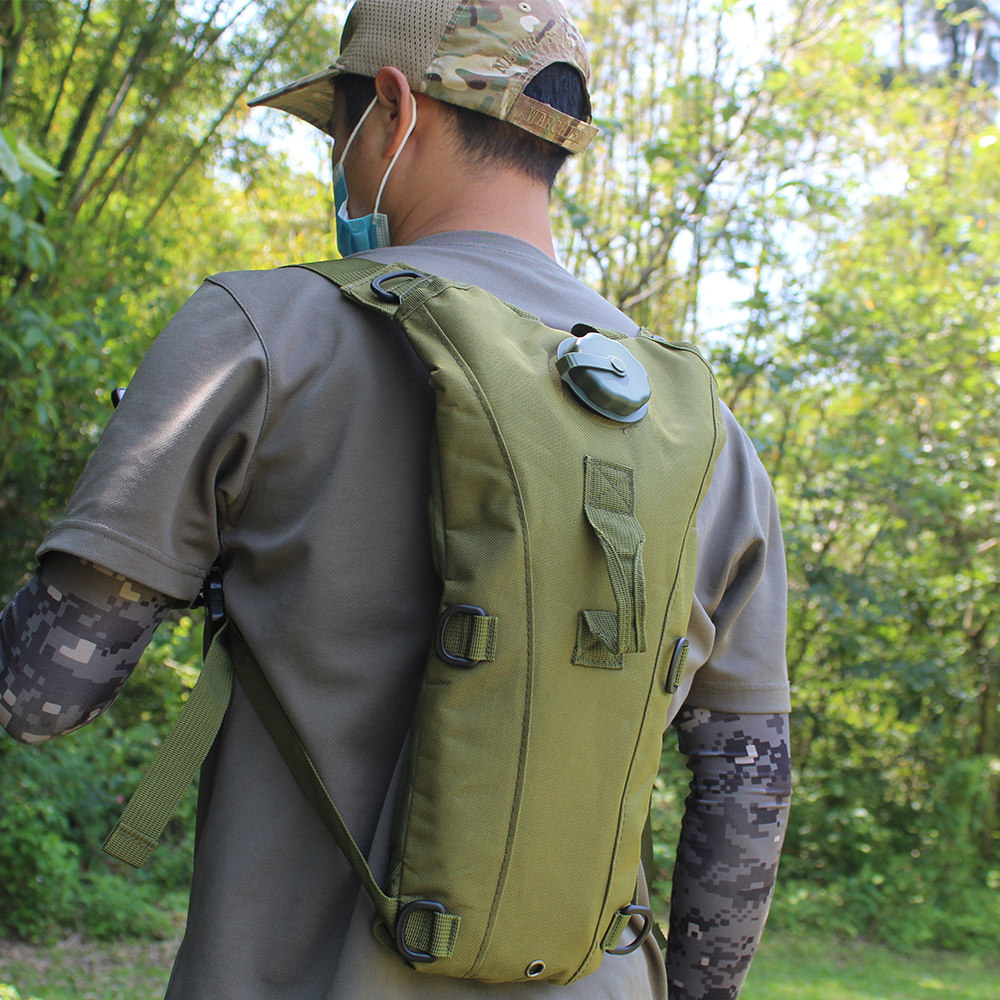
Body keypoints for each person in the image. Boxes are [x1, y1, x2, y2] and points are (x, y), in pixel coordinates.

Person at [0, 1, 792, 997]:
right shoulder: (705, 428)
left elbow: (41, 692)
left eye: (339, 133)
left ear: (390, 108)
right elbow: (743, 789)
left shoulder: (262, 333)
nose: (340, 162)